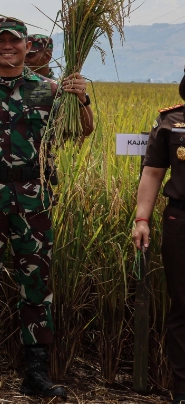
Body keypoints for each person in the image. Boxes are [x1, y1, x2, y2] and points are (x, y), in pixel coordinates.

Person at [0, 17, 93, 399]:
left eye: (15, 41)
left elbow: (82, 130)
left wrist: (82, 99)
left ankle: (36, 374)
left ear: (28, 47)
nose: (8, 47)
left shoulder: (51, 91)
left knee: (36, 286)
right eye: (0, 41)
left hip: (34, 201)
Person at [132, 68, 185, 404]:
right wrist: (142, 218)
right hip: (181, 218)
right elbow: (152, 172)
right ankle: (182, 389)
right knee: (182, 306)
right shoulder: (170, 122)